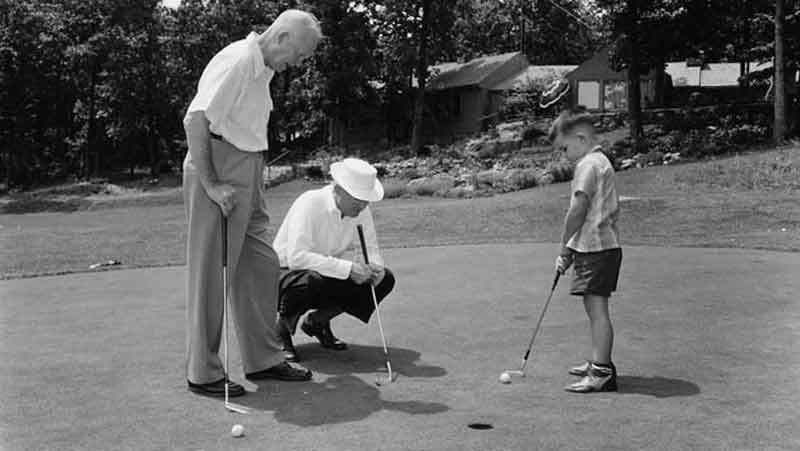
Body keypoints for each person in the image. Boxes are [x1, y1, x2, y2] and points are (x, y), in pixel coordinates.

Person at [182, 9, 322, 397]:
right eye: (300, 54)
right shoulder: (239, 61)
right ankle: (203, 372)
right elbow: (196, 120)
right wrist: (211, 184)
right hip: (219, 167)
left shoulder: (264, 69)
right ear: (281, 37)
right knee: (211, 274)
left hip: (247, 167)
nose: (299, 63)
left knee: (261, 262)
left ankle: (263, 359)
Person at [272, 158, 396, 362]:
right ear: (338, 189)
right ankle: (280, 333)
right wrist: (348, 269)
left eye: (366, 200)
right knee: (311, 280)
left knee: (385, 279)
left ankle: (317, 322)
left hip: (323, 273)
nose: (363, 205)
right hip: (283, 275)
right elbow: (297, 258)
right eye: (358, 199)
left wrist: (374, 268)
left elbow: (370, 249)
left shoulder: (361, 209)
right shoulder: (310, 203)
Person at [550, 109, 623, 393]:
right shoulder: (599, 160)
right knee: (594, 308)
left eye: (564, 148)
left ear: (580, 138)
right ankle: (597, 361)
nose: (564, 155)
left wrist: (563, 245)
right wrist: (570, 250)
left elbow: (578, 209)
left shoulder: (588, 165)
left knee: (597, 309)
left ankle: (602, 372)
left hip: (597, 248)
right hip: (596, 246)